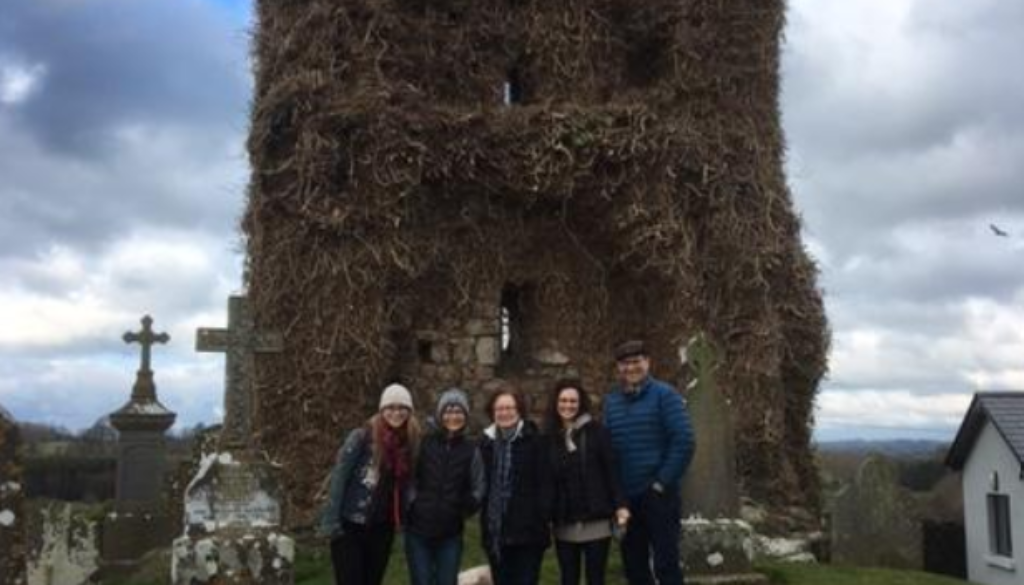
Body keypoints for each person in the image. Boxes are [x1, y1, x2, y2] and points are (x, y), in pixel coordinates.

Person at [603, 340, 695, 585]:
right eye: (625, 363)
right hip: (627, 500)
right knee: (634, 567)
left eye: (636, 362)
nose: (631, 368)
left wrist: (661, 482)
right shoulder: (612, 402)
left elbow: (684, 441)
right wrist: (616, 494)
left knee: (666, 565)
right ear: (618, 367)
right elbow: (608, 449)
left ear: (648, 363)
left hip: (659, 495)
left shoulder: (666, 395)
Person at [319, 383, 422, 585]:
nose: (396, 413)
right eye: (391, 407)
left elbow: (409, 485)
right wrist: (331, 522)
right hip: (350, 526)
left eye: (402, 408)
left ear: (409, 412)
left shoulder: (410, 443)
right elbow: (340, 477)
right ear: (382, 409)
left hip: (382, 528)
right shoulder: (361, 437)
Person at [545, 379, 629, 585]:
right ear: (556, 404)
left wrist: (621, 505)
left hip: (596, 519)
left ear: (581, 403)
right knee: (568, 578)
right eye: (563, 400)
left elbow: (612, 470)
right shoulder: (549, 437)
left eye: (573, 401)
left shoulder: (598, 432)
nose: (568, 405)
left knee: (596, 578)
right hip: (564, 520)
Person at [405, 388, 486, 585]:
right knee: (421, 581)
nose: (453, 416)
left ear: (465, 416)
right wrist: (414, 503)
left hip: (450, 534)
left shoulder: (471, 450)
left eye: (458, 412)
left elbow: (479, 486)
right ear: (440, 414)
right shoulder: (425, 443)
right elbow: (410, 477)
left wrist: (464, 508)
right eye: (448, 411)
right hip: (418, 531)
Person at [479, 382, 553, 585]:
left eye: (510, 408)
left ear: (519, 410)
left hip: (529, 535)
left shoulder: (535, 441)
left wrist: (541, 516)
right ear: (492, 412)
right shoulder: (484, 444)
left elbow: (546, 484)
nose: (505, 413)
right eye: (499, 408)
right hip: (496, 534)